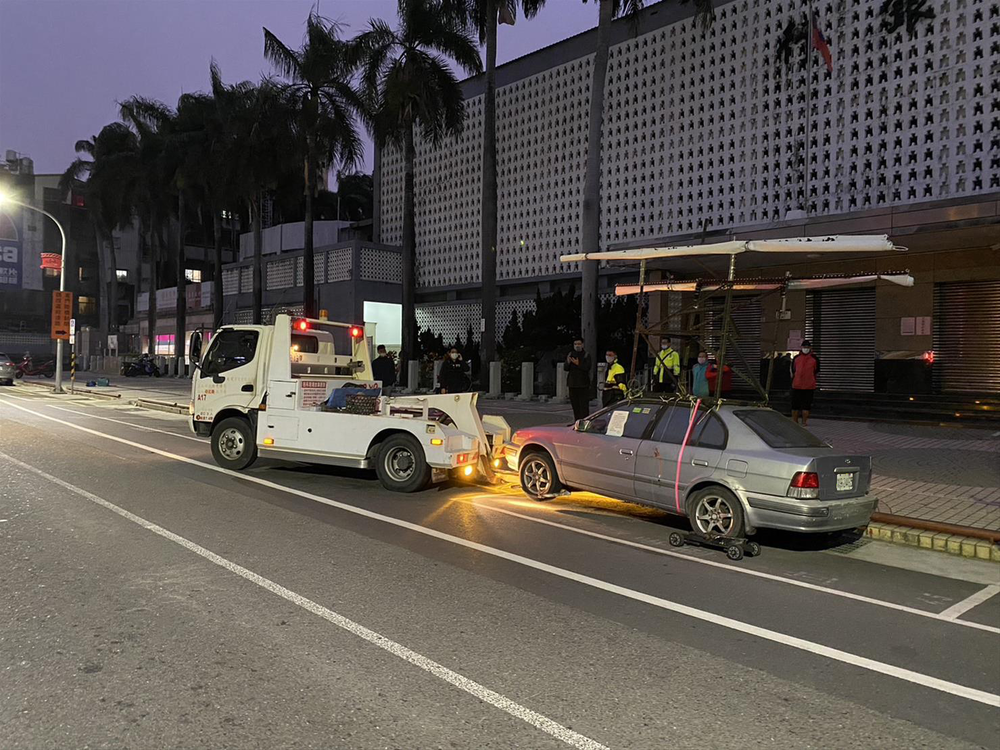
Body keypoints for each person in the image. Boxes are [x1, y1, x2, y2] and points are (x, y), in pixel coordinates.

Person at [791, 339, 820, 425]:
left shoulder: (814, 359)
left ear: (810, 348)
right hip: (797, 385)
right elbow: (793, 370)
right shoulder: (796, 358)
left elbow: (816, 370)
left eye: (807, 347)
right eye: (804, 347)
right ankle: (795, 422)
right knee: (795, 405)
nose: (805, 349)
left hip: (809, 386)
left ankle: (804, 422)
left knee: (806, 405)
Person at [565, 338, 593, 421]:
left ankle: (584, 422)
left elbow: (587, 367)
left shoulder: (586, 355)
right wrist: (568, 362)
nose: (577, 346)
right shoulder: (570, 354)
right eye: (575, 344)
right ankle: (576, 422)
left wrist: (578, 364)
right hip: (572, 384)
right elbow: (565, 368)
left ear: (582, 345)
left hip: (583, 384)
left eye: (579, 344)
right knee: (575, 405)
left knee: (583, 406)